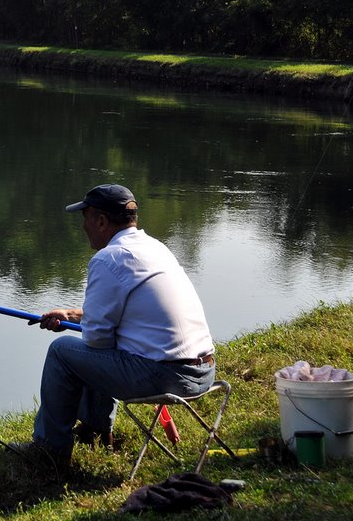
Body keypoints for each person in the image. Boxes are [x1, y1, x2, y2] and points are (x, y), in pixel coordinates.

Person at [19, 183, 215, 470]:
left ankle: (50, 450)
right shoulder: (154, 248)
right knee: (98, 347)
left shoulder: (108, 258)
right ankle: (96, 432)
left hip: (166, 377)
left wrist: (85, 328)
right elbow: (124, 317)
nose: (83, 225)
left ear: (101, 221)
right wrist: (72, 316)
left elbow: (98, 341)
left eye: (85, 217)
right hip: (204, 372)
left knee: (62, 351)